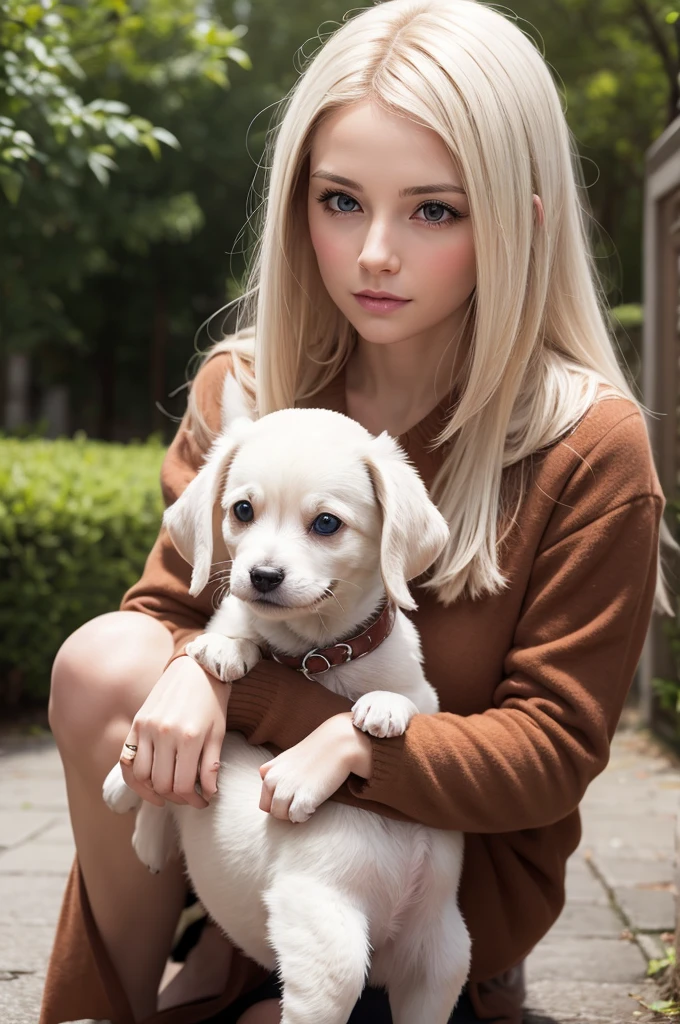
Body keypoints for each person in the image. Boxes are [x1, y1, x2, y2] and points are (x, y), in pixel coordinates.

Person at [42, 0, 675, 1022]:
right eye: (340, 200)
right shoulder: (247, 392)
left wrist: (334, 734)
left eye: (433, 210)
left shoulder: (587, 446)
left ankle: (437, 987)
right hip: (241, 845)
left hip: (430, 880)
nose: (374, 251)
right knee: (104, 662)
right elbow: (163, 613)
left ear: (521, 219)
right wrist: (191, 667)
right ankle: (137, 993)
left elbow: (550, 747)